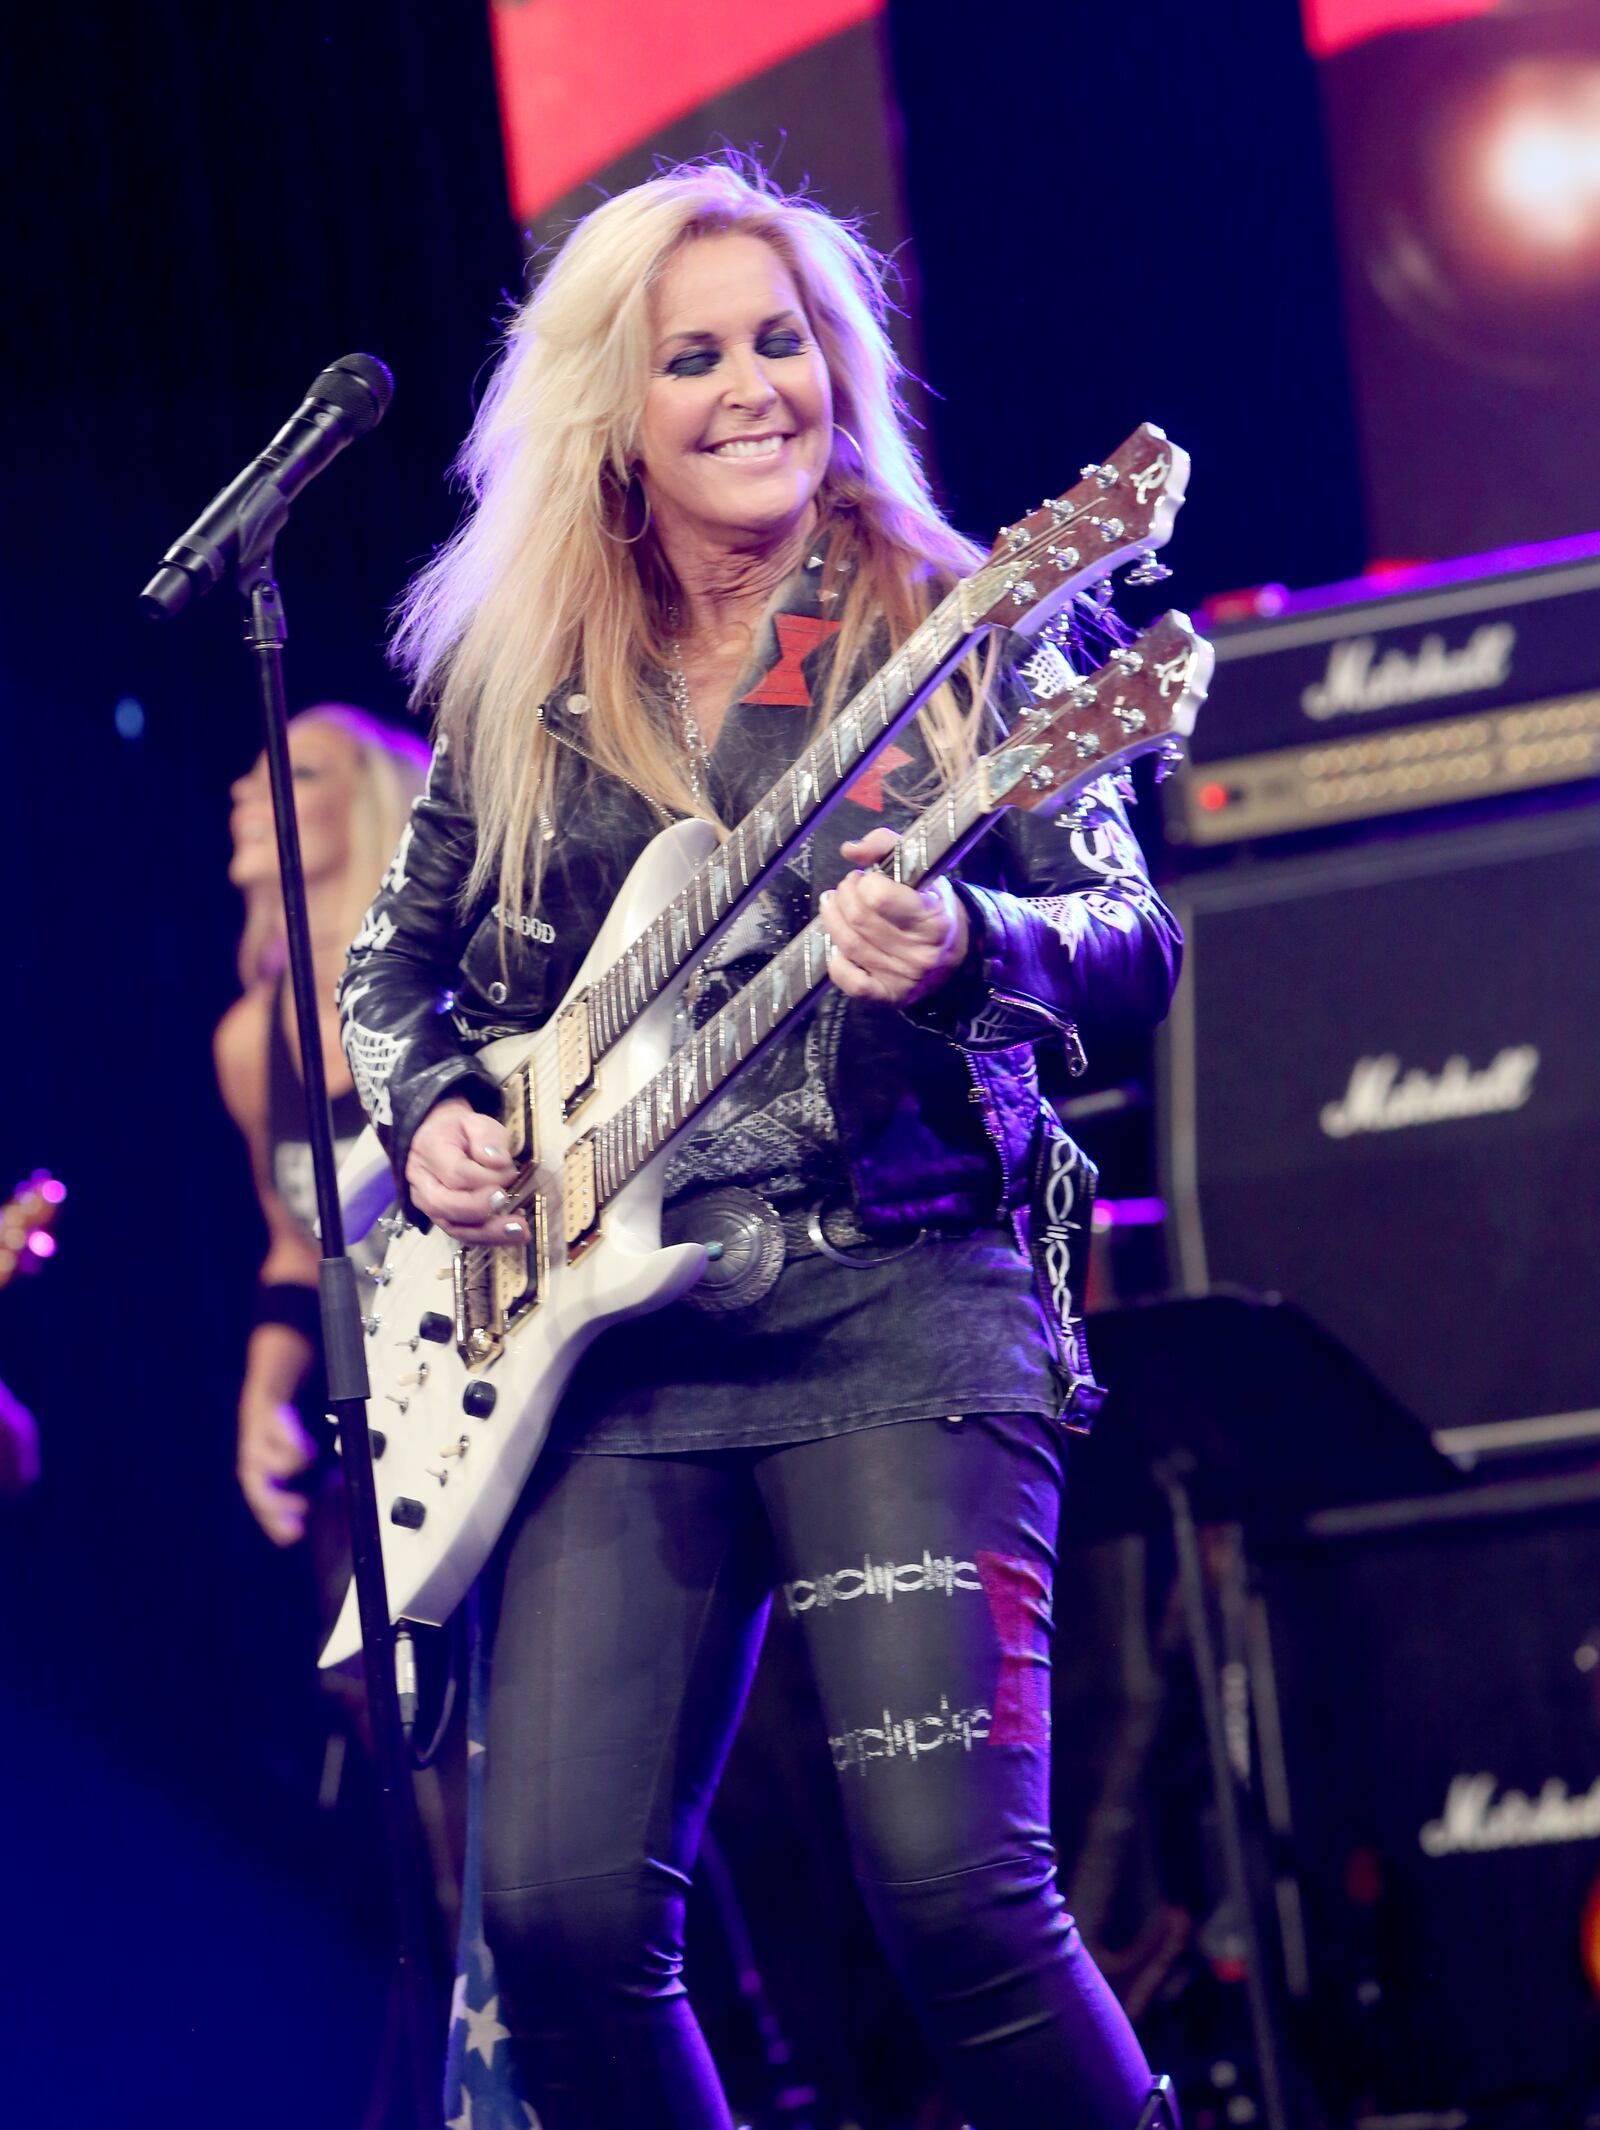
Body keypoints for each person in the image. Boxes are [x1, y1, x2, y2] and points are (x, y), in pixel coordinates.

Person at [338, 159, 1185, 2130]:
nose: (748, 387)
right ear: (610, 419)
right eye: (690, 354)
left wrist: (971, 938)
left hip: (893, 1299)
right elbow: (396, 972)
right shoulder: (530, 681)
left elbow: (1128, 934)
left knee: (956, 1903)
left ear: (838, 365)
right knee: (550, 1924)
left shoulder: (944, 619)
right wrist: (442, 1110)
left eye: (780, 341)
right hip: (614, 1343)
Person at [215, 703, 429, 1548]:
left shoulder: (455, 993)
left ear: (378, 805)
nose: (246, 792)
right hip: (396, 1437)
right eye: (247, 777)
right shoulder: (245, 1042)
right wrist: (262, 1399)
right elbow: (298, 1247)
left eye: (297, 773)